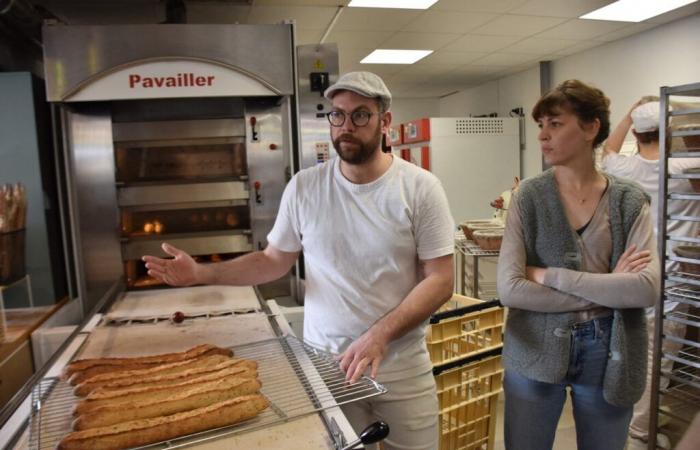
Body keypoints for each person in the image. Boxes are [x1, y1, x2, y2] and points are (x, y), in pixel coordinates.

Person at [142, 71, 455, 450]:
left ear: (384, 121)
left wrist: (379, 335)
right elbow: (274, 260)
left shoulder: (420, 188)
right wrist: (200, 273)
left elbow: (440, 279)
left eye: (360, 115)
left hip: (400, 363)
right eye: (337, 115)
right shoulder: (305, 187)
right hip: (328, 363)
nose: (345, 126)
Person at [496, 79, 661, 450]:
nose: (542, 136)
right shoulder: (529, 197)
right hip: (534, 348)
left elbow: (646, 288)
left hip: (609, 352)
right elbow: (510, 289)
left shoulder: (629, 202)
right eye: (541, 125)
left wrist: (550, 276)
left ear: (590, 128)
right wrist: (608, 290)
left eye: (555, 124)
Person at [601, 98, 700, 449]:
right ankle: (641, 433)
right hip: (674, 283)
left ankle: (626, 421)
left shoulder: (622, 169)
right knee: (658, 361)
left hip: (632, 277)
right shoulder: (687, 166)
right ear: (669, 130)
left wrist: (630, 111)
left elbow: (608, 148)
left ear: (639, 133)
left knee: (629, 356)